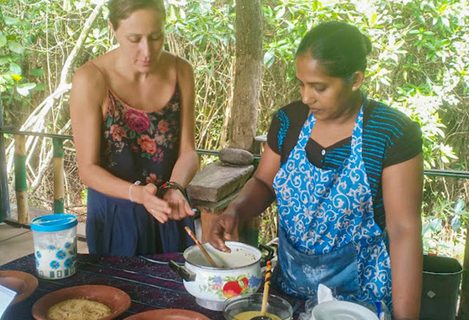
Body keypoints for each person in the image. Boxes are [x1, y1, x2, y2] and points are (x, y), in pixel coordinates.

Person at [209, 21, 423, 319]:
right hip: (288, 290)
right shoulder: (289, 122)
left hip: (359, 302)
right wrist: (236, 210)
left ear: (356, 79)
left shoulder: (390, 132)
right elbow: (264, 182)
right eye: (301, 84)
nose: (307, 97)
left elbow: (403, 230)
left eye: (319, 87)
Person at [70, 0, 199, 256]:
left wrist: (175, 188)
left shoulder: (180, 71)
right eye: (133, 38)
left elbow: (189, 152)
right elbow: (87, 169)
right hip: (115, 215)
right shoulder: (91, 79)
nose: (147, 51)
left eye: (155, 37)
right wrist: (137, 194)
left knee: (174, 291)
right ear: (112, 28)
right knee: (118, 293)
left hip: (169, 209)